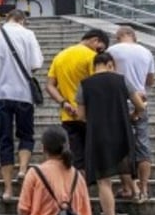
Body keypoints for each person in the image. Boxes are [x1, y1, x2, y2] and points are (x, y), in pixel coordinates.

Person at [76, 52, 146, 215]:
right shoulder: (121, 80)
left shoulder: (84, 84)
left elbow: (81, 116)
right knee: (124, 162)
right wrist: (133, 116)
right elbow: (141, 105)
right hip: (122, 132)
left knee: (103, 182)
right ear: (109, 64)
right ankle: (136, 190)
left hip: (98, 136)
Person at [0, 9, 44, 201]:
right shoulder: (28, 34)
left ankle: (7, 190)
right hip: (23, 94)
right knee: (26, 135)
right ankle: (22, 170)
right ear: (22, 20)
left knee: (5, 140)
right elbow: (36, 64)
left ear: (7, 18)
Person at [45, 29, 110, 175]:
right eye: (100, 48)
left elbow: (49, 86)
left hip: (68, 116)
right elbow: (97, 85)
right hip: (89, 115)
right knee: (93, 157)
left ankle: (77, 190)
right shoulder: (92, 57)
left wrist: (64, 103)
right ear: (95, 40)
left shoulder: (60, 56)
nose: (100, 52)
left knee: (77, 159)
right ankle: (85, 192)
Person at [110, 26, 155, 203]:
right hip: (141, 100)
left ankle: (128, 187)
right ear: (134, 36)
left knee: (120, 147)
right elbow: (150, 81)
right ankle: (144, 188)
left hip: (119, 102)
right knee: (142, 144)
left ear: (120, 36)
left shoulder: (112, 51)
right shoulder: (146, 52)